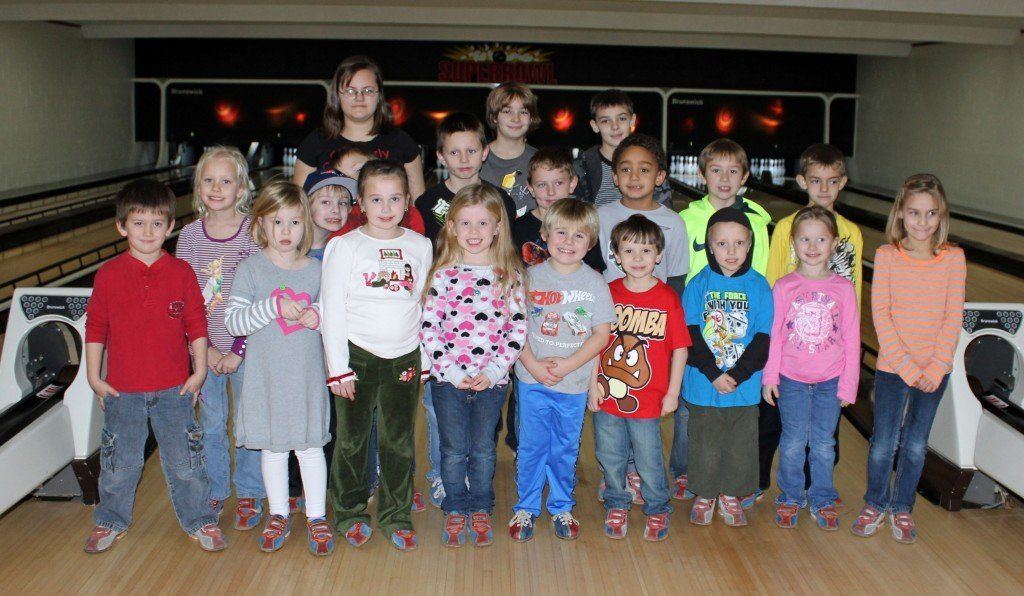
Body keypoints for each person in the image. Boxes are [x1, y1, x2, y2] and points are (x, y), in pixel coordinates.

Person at [83, 179, 225, 553]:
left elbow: (196, 323)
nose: (148, 231)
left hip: (174, 388)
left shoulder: (181, 273)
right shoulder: (109, 274)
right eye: (138, 222)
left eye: (157, 223)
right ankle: (109, 520)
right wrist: (94, 377)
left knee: (186, 462)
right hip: (122, 389)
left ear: (170, 226)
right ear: (121, 226)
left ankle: (200, 520)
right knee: (119, 463)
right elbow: (96, 327)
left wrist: (199, 371)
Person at [321, 160, 433, 551]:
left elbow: (425, 306)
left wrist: (427, 359)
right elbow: (331, 308)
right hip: (357, 358)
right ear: (361, 204)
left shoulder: (420, 246)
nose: (386, 207)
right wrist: (338, 369)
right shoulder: (345, 246)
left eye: (395, 198)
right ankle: (350, 511)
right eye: (376, 199)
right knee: (352, 441)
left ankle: (395, 514)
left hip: (405, 357)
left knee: (398, 441)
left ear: (406, 203)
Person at [853, 173, 965, 544]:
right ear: (900, 213)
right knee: (884, 442)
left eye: (931, 214)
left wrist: (934, 368)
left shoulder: (954, 259)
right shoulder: (887, 257)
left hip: (935, 371)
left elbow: (953, 317)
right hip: (893, 369)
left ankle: (902, 507)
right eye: (914, 213)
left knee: (916, 444)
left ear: (941, 215)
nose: (922, 222)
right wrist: (906, 367)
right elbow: (881, 315)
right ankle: (875, 503)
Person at [224, 180, 333, 555]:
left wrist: (317, 314)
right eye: (277, 222)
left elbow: (335, 316)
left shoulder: (318, 271)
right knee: (272, 449)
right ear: (261, 226)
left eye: (295, 222)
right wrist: (272, 306)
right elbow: (234, 323)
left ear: (307, 226)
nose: (286, 232)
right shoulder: (250, 270)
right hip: (265, 379)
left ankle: (317, 516)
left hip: (306, 378)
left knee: (309, 447)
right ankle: (279, 513)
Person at [420, 184, 527, 547]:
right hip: (447, 381)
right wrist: (450, 372)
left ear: (498, 227)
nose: (475, 232)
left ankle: (481, 506)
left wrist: (496, 371)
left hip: (491, 382)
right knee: (452, 449)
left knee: (482, 448)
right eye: (465, 223)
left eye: (483, 223)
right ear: (451, 227)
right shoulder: (443, 274)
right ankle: (455, 508)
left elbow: (517, 329)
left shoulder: (508, 274)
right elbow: (429, 328)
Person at [757, 143, 864, 505]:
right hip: (790, 359)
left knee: (822, 440)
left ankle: (820, 493)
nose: (823, 189)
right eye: (815, 180)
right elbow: (775, 284)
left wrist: (851, 370)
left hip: (829, 360)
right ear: (802, 181)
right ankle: (779, 489)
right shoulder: (786, 227)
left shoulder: (851, 232)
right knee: (786, 434)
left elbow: (853, 299)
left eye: (832, 181)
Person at [508, 199, 615, 542]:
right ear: (544, 235)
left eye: (579, 236)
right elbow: (515, 327)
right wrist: (533, 365)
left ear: (591, 243)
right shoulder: (529, 277)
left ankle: (561, 506)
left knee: (564, 448)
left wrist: (568, 365)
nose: (569, 242)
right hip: (532, 379)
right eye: (561, 233)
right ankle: (525, 507)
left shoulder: (596, 282)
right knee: (532, 445)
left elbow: (601, 334)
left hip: (574, 382)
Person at [596, 133, 689, 503]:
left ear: (661, 176)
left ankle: (638, 474)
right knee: (613, 415)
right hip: (609, 328)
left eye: (645, 169)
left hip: (652, 331)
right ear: (614, 176)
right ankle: (617, 476)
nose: (635, 176)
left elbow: (677, 282)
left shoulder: (674, 223)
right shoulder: (601, 216)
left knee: (644, 409)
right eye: (626, 169)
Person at [175, 146, 265, 528]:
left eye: (225, 180)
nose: (217, 187)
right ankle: (216, 489)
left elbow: (261, 296)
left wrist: (238, 350)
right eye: (208, 180)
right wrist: (205, 349)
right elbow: (182, 300)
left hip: (250, 347)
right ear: (198, 187)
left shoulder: (255, 232)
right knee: (211, 424)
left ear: (241, 187)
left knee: (247, 424)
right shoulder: (190, 236)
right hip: (204, 350)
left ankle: (249, 491)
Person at [589, 215, 690, 541]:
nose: (637, 259)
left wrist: (673, 393)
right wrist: (592, 385)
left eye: (646, 251)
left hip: (649, 399)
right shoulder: (607, 292)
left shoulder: (667, 298)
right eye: (629, 251)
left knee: (648, 459)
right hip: (608, 396)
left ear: (659, 254)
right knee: (610, 454)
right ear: (615, 255)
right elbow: (594, 343)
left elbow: (680, 350)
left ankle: (658, 507)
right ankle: (617, 501)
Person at [683, 208, 772, 528]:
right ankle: (705, 494)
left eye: (739, 243)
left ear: (750, 245)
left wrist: (736, 375)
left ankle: (731, 494)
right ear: (709, 245)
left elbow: (763, 338)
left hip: (743, 386)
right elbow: (690, 334)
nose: (731, 251)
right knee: (704, 442)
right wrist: (714, 373)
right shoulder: (697, 284)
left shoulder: (760, 286)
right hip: (704, 384)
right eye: (722, 244)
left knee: (740, 446)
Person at [293, 55, 426, 198]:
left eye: (368, 90)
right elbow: (299, 205)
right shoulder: (315, 143)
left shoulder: (401, 142)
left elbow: (418, 205)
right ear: (337, 95)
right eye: (350, 91)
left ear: (379, 95)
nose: (359, 97)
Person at [679, 138, 770, 283]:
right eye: (716, 170)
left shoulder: (756, 221)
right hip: (696, 303)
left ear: (744, 177)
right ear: (702, 175)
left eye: (733, 171)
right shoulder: (685, 220)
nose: (725, 178)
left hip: (742, 304)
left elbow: (761, 272)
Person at [418, 112, 518, 242]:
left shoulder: (501, 201)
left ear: (484, 152)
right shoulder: (426, 203)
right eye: (454, 152)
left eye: (471, 151)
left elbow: (505, 250)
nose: (464, 159)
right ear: (442, 157)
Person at [574, 89, 672, 208]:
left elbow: (663, 212)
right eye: (605, 121)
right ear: (595, 126)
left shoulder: (651, 162)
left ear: (632, 120)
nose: (615, 126)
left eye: (622, 119)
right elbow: (573, 215)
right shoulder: (582, 166)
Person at [333, 144, 426, 237]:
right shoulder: (345, 215)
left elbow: (417, 245)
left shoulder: (410, 215)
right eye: (344, 177)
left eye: (360, 170)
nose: (352, 180)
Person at [480, 82, 539, 217]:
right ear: (494, 117)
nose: (516, 118)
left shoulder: (541, 161)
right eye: (507, 111)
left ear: (531, 118)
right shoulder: (476, 159)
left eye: (523, 112)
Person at [304, 169, 355, 260]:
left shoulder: (345, 252)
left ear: (349, 209)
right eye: (325, 202)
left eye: (343, 203)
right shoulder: (289, 247)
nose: (336, 210)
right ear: (307, 205)